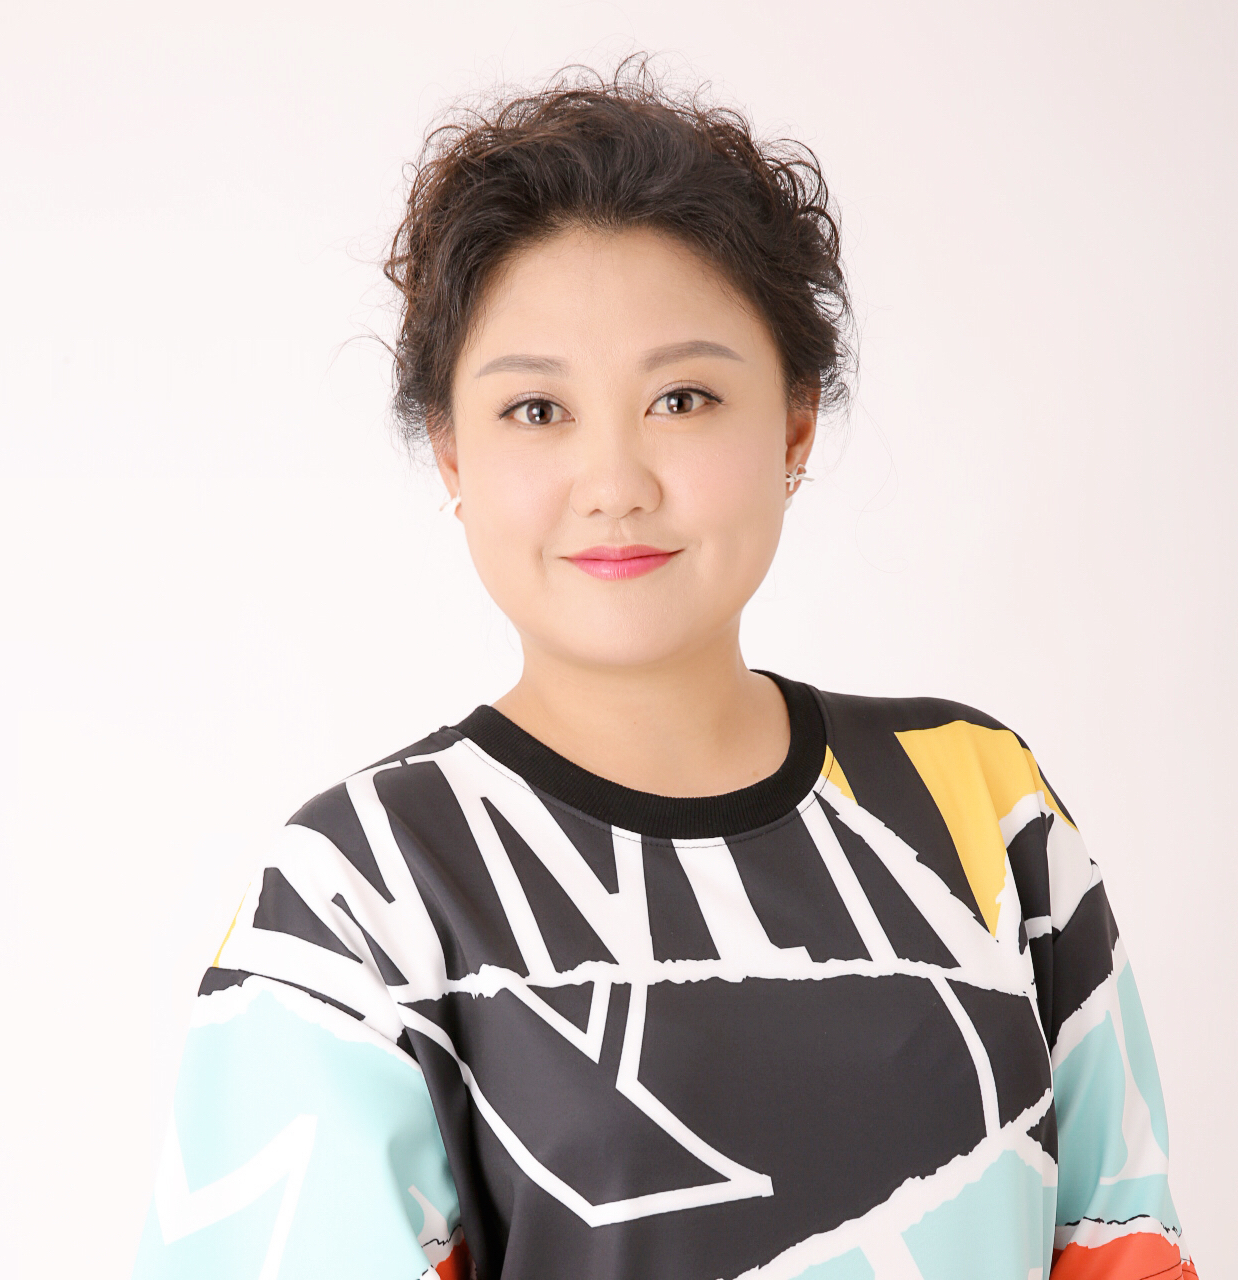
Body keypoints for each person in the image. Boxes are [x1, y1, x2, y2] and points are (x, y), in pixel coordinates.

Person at [132, 61, 1197, 1280]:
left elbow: (1121, 1242)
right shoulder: (361, 892)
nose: (614, 482)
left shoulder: (980, 803)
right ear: (451, 453)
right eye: (537, 410)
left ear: (793, 423)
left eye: (681, 398)